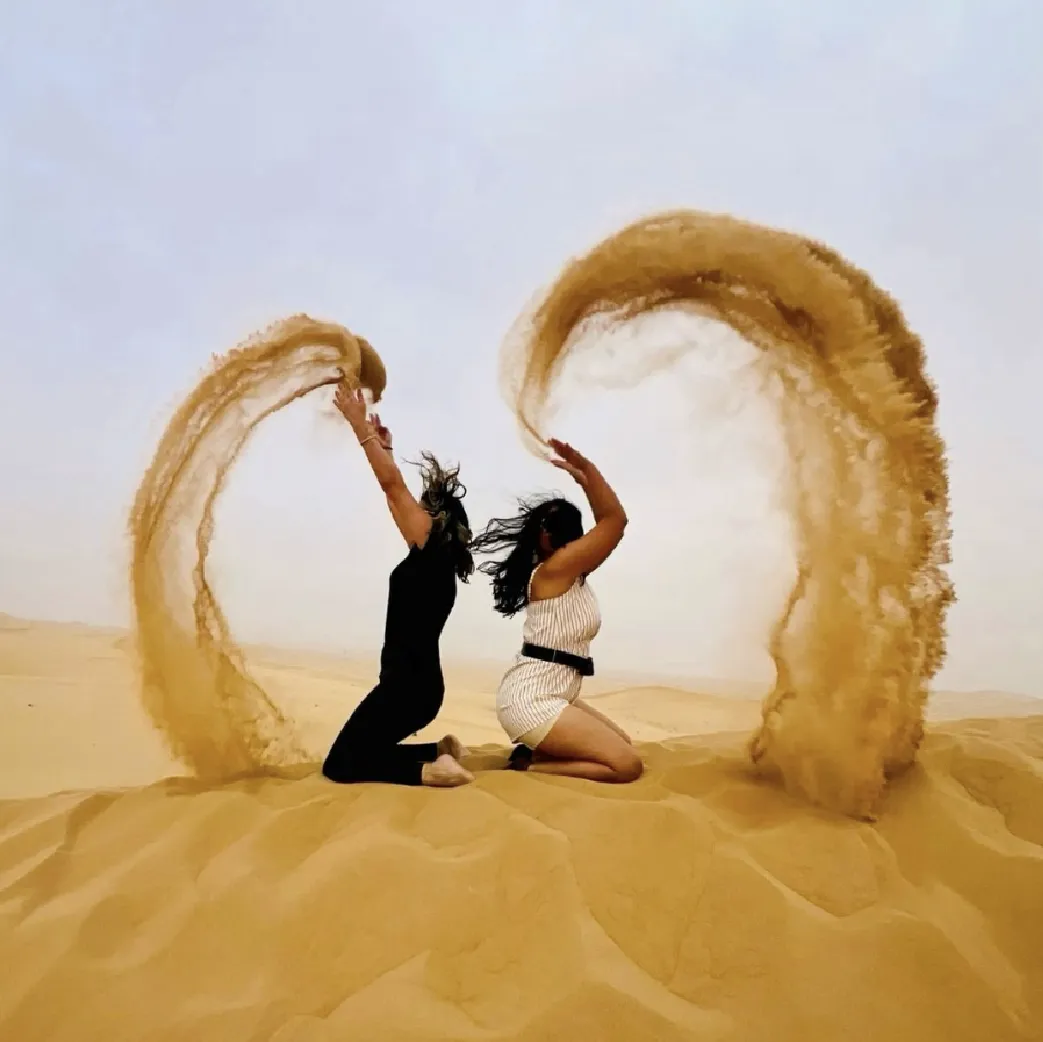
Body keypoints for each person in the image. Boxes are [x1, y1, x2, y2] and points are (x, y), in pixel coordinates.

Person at [322, 382, 474, 788]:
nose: (412, 509)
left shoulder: (430, 547)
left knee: (340, 764)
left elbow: (392, 488)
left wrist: (359, 427)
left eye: (420, 506)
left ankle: (430, 771)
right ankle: (438, 750)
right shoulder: (433, 560)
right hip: (417, 687)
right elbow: (393, 498)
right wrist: (385, 449)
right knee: (364, 749)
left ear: (435, 518)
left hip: (406, 688)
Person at [471, 439, 642, 782]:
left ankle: (532, 751)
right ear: (545, 537)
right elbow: (615, 520)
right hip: (531, 700)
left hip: (555, 693)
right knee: (626, 766)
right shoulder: (554, 571)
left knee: (623, 744)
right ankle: (529, 768)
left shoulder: (573, 574)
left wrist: (585, 476)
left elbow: (609, 524)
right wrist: (585, 472)